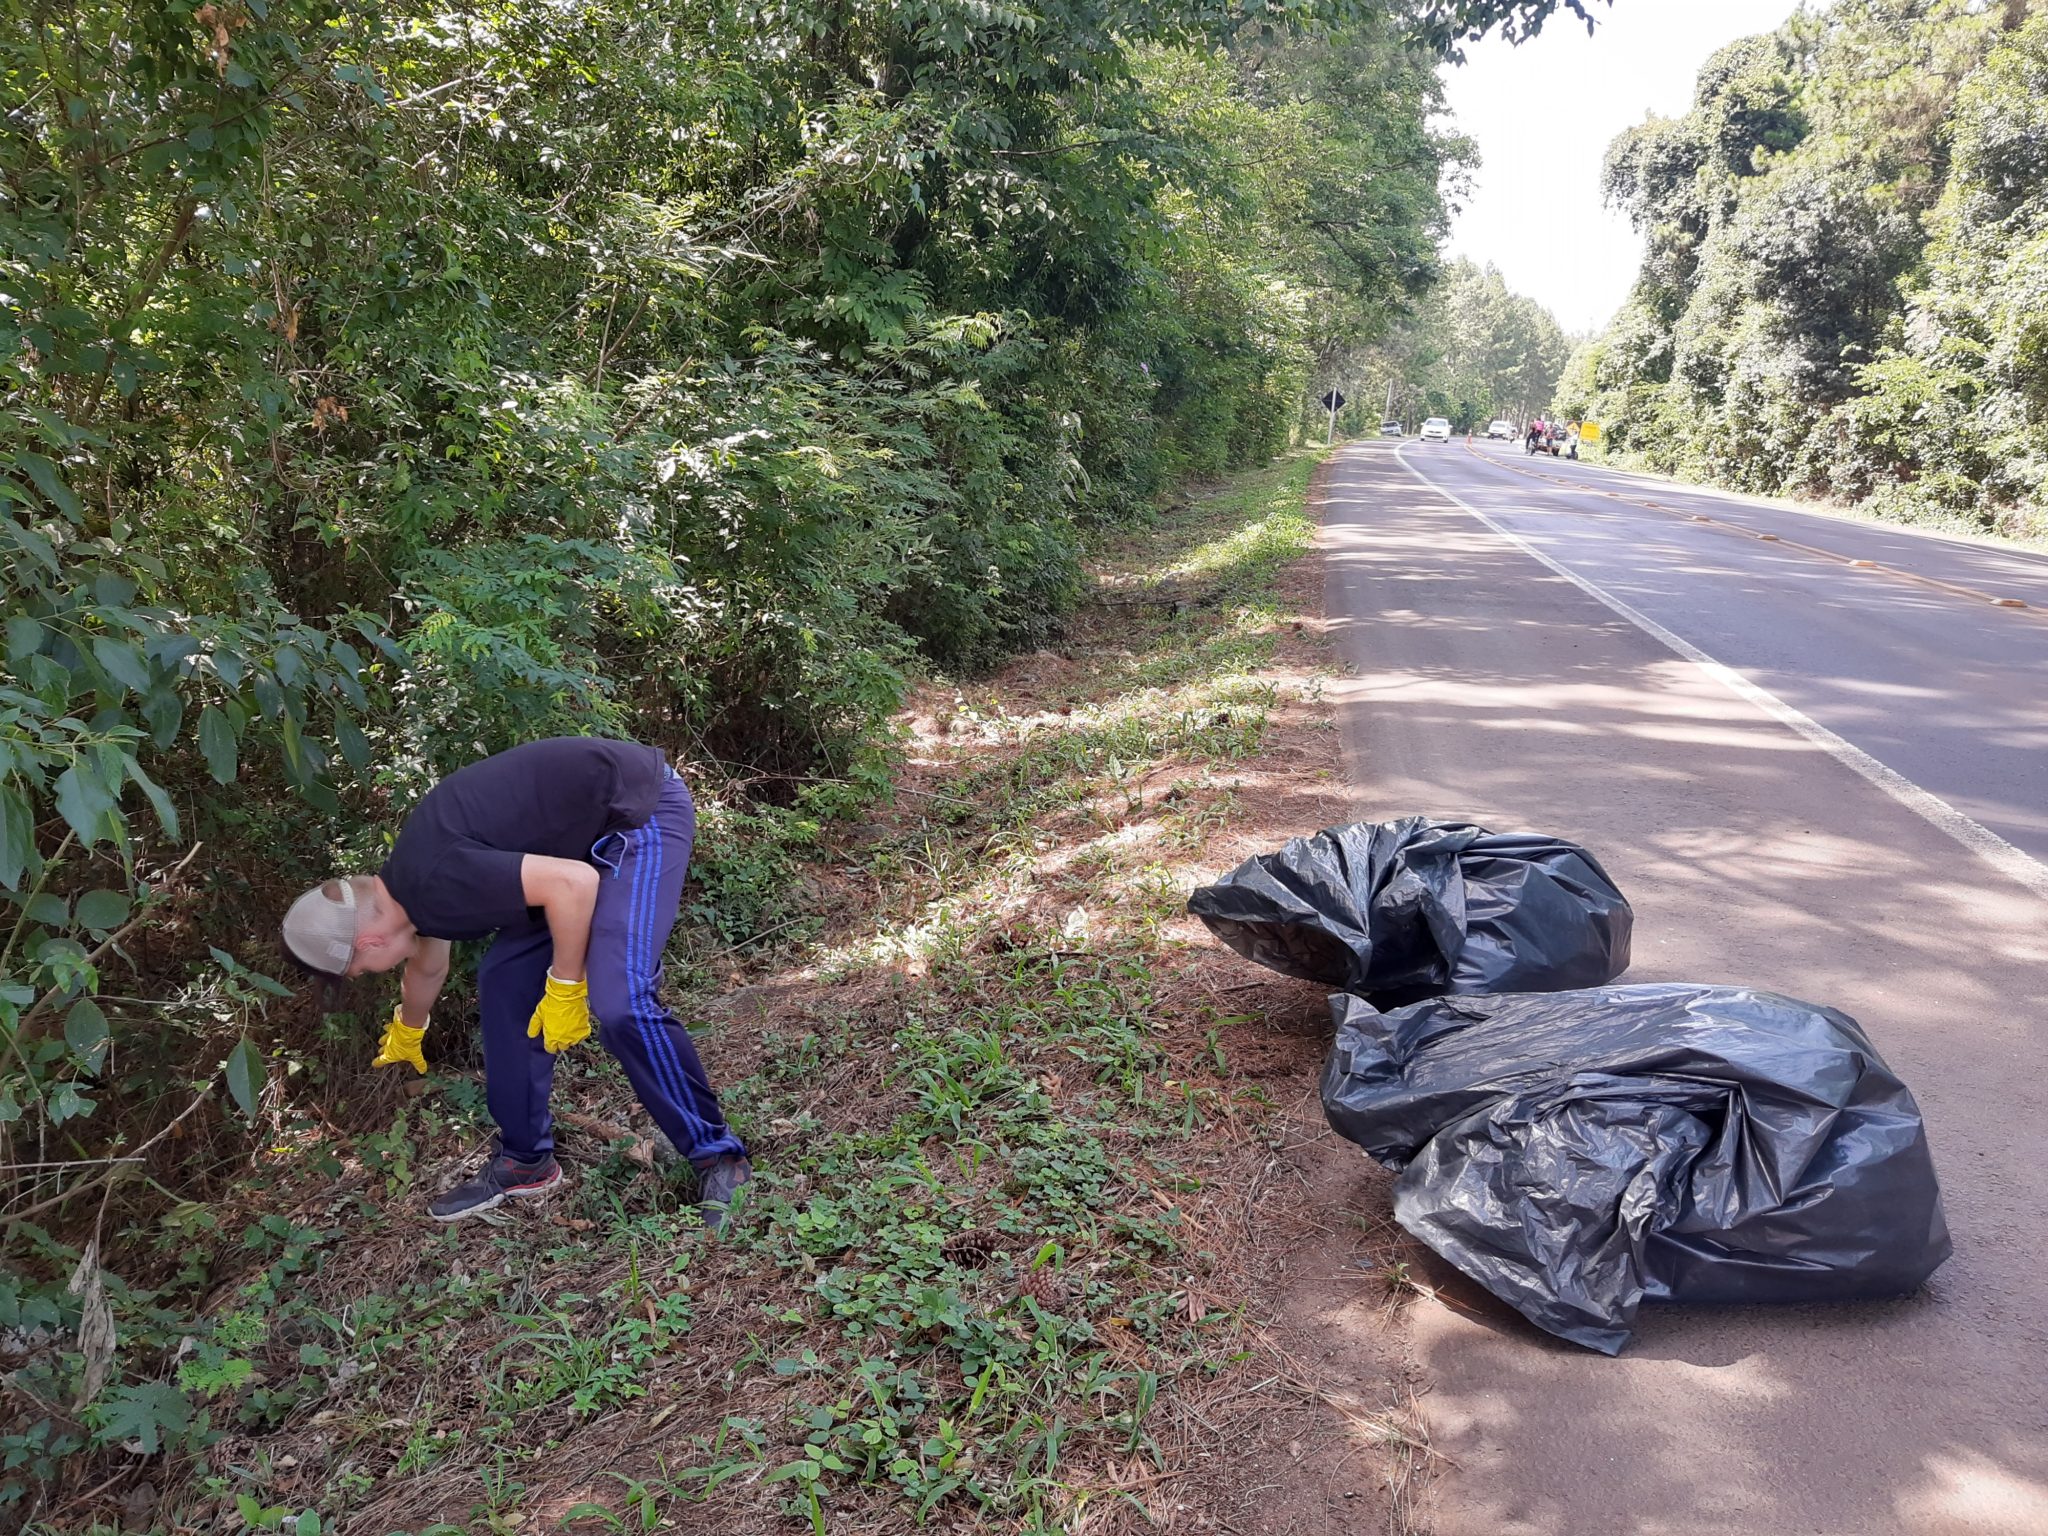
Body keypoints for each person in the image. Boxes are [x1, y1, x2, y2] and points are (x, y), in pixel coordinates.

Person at [281, 737, 752, 1227]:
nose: (364, 974)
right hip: (569, 856)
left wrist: (565, 987)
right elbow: (427, 965)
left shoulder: (434, 877)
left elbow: (574, 885)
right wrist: (410, 1027)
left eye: (357, 969)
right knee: (505, 983)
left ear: (368, 942)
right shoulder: (410, 890)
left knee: (620, 1000)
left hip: (635, 814)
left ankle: (720, 1158)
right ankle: (526, 1161)